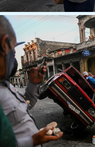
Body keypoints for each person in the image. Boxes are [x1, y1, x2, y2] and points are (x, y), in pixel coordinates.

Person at [0, 16, 63, 146]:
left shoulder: (5, 85)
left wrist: (33, 84)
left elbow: (25, 106)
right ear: (3, 44)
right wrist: (32, 141)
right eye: (13, 49)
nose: (14, 55)